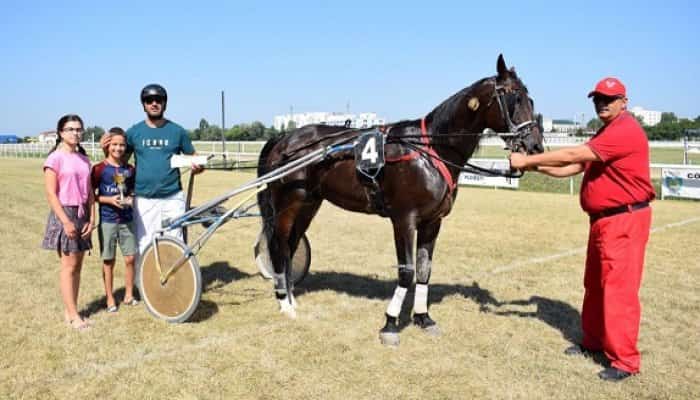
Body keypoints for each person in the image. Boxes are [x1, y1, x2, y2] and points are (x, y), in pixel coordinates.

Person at [509, 77, 655, 382]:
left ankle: (625, 361)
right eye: (598, 98)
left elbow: (573, 155)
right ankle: (594, 342)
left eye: (609, 98)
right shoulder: (608, 131)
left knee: (619, 291)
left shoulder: (624, 130)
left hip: (623, 221)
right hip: (604, 221)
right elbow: (571, 168)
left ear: (624, 102)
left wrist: (527, 158)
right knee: (596, 285)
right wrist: (530, 166)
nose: (602, 103)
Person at [101, 84, 203, 286]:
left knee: (175, 240)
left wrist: (198, 166)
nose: (154, 103)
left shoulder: (177, 131)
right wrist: (107, 147)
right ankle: (146, 285)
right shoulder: (134, 132)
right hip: (144, 198)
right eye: (149, 101)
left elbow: (194, 158)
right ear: (144, 105)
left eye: (158, 100)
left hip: (173, 196)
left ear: (165, 103)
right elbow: (118, 160)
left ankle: (176, 281)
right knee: (145, 242)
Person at [41, 114, 94, 331]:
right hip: (65, 213)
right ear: (61, 132)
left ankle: (70, 309)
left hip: (82, 214)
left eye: (79, 129)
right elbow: (51, 194)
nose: (76, 133)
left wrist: (92, 218)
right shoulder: (55, 158)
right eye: (71, 129)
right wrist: (65, 221)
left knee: (78, 266)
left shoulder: (84, 159)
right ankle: (74, 315)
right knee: (68, 266)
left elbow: (90, 192)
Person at [92, 127, 138, 312]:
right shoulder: (99, 169)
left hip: (127, 219)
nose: (118, 148)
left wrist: (130, 199)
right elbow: (91, 196)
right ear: (108, 145)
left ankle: (129, 294)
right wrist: (108, 200)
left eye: (121, 145)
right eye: (114, 144)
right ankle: (110, 298)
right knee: (108, 260)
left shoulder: (130, 169)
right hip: (108, 220)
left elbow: (133, 191)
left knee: (130, 258)